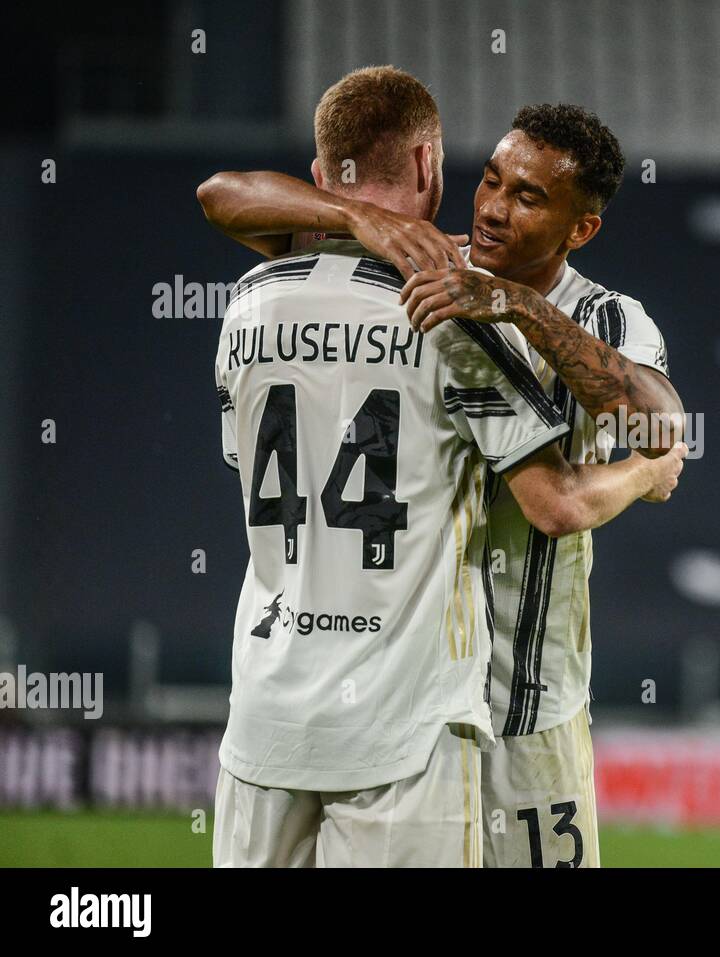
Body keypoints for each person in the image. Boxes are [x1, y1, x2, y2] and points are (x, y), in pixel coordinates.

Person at [202, 68, 682, 868]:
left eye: (529, 196)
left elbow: (662, 423)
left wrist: (517, 305)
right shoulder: (421, 269)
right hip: (417, 706)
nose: (493, 205)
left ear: (581, 229)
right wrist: (361, 215)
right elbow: (224, 198)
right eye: (491, 177)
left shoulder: (608, 317)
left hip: (527, 707)